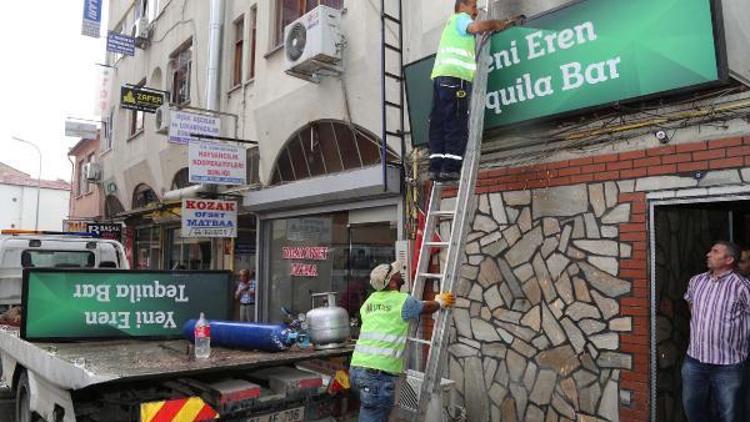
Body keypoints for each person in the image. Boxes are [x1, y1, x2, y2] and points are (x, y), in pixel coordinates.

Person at [428, 0, 523, 181]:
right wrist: (495, 23)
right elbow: (476, 28)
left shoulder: (449, 24)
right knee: (456, 122)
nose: (475, 11)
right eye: (473, 6)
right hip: (456, 79)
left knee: (439, 124)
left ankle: (435, 168)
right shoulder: (461, 19)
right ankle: (451, 168)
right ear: (462, 5)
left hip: (440, 78)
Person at [349, 261, 455, 422]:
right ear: (392, 282)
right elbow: (427, 307)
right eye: (397, 273)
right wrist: (440, 302)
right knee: (373, 416)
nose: (401, 273)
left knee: (371, 412)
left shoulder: (369, 302)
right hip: (377, 375)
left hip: (357, 370)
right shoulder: (403, 301)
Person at [682, 241, 750, 422]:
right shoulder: (696, 281)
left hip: (728, 365)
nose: (708, 254)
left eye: (715, 251)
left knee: (730, 415)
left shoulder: (742, 286)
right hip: (694, 361)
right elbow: (691, 304)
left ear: (729, 259)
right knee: (693, 409)